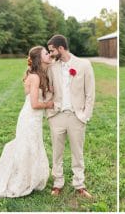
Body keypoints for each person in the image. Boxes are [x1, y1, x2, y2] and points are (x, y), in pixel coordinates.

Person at [0, 46, 54, 206]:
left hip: (32, 119)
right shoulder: (36, 77)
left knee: (31, 146)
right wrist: (49, 104)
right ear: (39, 59)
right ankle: (21, 180)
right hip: (30, 118)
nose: (49, 54)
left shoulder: (38, 75)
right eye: (46, 53)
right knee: (27, 147)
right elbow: (35, 104)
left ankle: (30, 177)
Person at [46, 34, 95, 198]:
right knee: (57, 152)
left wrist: (85, 115)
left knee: (77, 152)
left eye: (52, 50)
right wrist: (50, 113)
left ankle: (79, 184)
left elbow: (90, 93)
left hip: (76, 116)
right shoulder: (52, 67)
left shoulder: (84, 64)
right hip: (57, 116)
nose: (50, 54)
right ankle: (57, 183)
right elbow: (48, 90)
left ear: (61, 48)